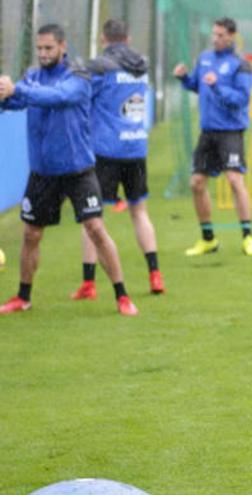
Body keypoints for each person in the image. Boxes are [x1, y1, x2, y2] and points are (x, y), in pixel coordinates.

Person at [0, 24, 137, 316]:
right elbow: (18, 100)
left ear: (63, 46)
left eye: (48, 48)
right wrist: (4, 96)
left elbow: (59, 97)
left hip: (78, 171)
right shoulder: (32, 77)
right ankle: (23, 297)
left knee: (96, 229)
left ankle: (122, 296)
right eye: (39, 48)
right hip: (43, 173)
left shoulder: (78, 75)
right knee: (30, 235)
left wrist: (19, 89)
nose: (43, 53)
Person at [71, 19, 165, 302]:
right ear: (128, 38)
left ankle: (89, 284)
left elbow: (83, 98)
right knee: (140, 212)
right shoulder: (141, 66)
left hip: (107, 152)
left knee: (92, 219)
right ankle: (155, 274)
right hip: (136, 147)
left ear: (104, 39)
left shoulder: (101, 67)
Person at [172, 17, 252, 257]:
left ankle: (247, 236)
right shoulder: (205, 59)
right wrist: (184, 78)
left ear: (231, 36)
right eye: (214, 34)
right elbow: (197, 85)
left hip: (230, 131)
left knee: (234, 180)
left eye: (220, 35)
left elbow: (241, 99)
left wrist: (217, 86)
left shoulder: (240, 64)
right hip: (208, 131)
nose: (215, 38)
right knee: (196, 183)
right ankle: (208, 238)